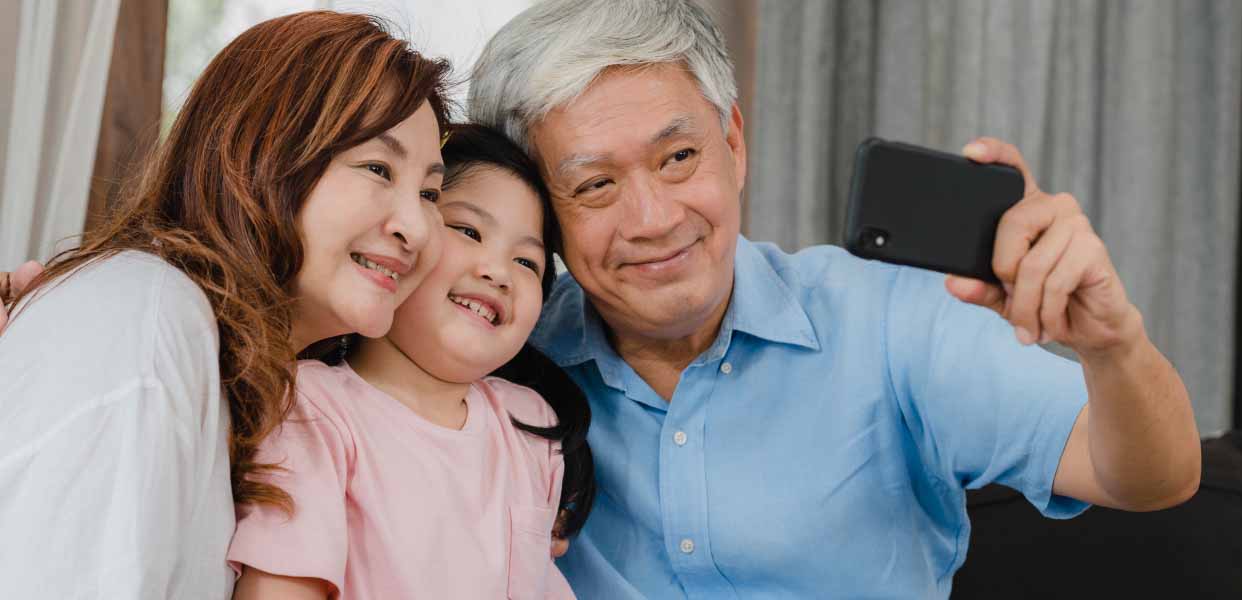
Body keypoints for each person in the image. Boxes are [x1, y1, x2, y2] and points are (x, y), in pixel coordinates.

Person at [466, 0, 1202, 597]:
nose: (655, 219)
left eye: (679, 157)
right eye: (596, 184)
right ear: (538, 204)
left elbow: (1149, 478)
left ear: (736, 146)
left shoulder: (893, 317)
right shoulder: (499, 356)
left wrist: (1113, 346)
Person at [0, 12, 451, 597]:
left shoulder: (229, 369)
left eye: (431, 193)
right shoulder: (148, 314)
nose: (415, 226)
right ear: (257, 154)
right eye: (376, 168)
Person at [225, 124, 595, 599]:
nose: (498, 272)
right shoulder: (313, 409)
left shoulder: (531, 426)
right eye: (469, 230)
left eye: (527, 262)